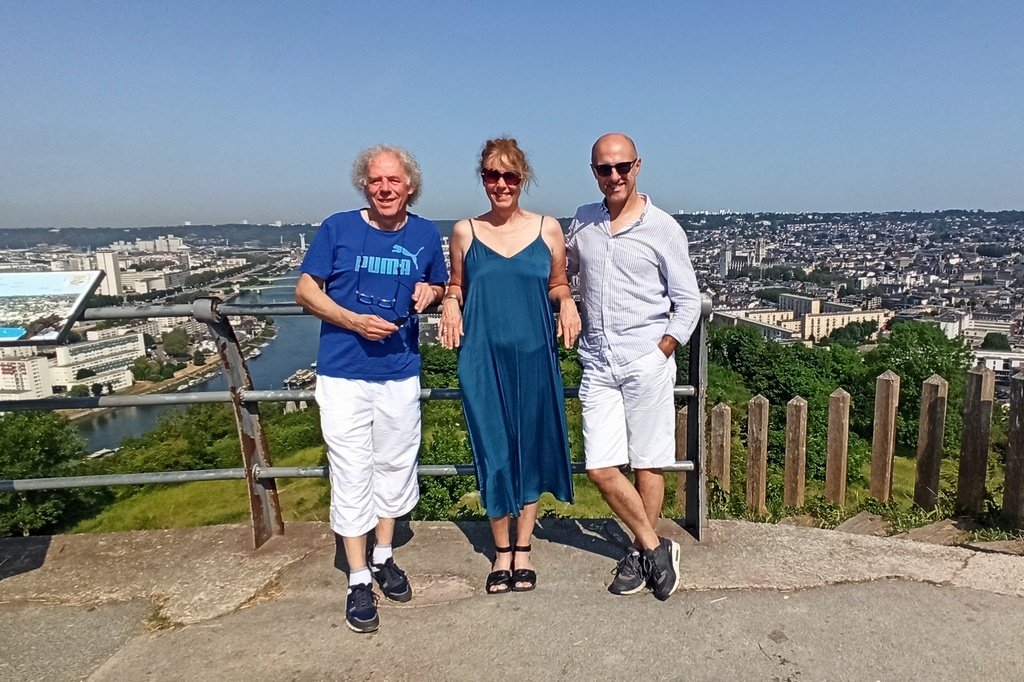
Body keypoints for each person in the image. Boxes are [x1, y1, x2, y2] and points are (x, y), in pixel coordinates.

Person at [295, 144, 448, 633]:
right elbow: (305, 291)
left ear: (410, 187)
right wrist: (352, 321)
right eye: (376, 181)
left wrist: (434, 291)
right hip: (343, 374)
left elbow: (440, 286)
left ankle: (383, 555)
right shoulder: (337, 227)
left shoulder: (425, 234)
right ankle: (357, 578)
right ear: (366, 184)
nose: (385, 189)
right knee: (351, 469)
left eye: (394, 182)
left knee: (396, 464)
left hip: (399, 373)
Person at [439, 138, 580, 594]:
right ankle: (501, 550)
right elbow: (457, 282)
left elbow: (557, 282)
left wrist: (568, 303)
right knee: (493, 447)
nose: (500, 184)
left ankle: (523, 548)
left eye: (509, 176)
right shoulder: (464, 232)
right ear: (482, 179)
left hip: (535, 352)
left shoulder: (548, 230)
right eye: (491, 176)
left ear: (523, 180)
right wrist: (450, 302)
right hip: (482, 354)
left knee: (532, 444)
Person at [566, 132, 702, 601]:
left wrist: (660, 351)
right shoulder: (583, 222)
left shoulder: (663, 227)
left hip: (645, 356)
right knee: (601, 466)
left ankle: (635, 551)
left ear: (638, 166)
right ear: (594, 172)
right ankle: (654, 546)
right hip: (598, 361)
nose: (615, 176)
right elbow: (559, 271)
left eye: (622, 167)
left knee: (647, 462)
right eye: (605, 168)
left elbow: (688, 303)